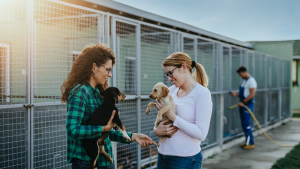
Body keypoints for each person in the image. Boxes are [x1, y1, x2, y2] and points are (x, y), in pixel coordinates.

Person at [61, 44, 156, 169]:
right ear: (94, 67)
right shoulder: (80, 93)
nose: (110, 74)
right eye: (108, 69)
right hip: (87, 163)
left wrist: (132, 136)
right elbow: (72, 130)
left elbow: (105, 132)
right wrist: (104, 128)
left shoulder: (99, 94)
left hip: (106, 161)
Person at [154, 52, 213, 169]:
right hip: (162, 156)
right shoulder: (170, 91)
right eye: (167, 75)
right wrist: (157, 130)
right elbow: (159, 119)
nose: (170, 79)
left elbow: (201, 134)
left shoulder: (202, 93)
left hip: (185, 160)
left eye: (171, 73)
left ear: (184, 67)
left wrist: (172, 116)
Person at [230, 66, 257, 150]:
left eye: (241, 74)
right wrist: (236, 94)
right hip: (243, 104)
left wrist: (243, 102)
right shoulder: (245, 81)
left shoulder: (251, 81)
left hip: (247, 105)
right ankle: (247, 141)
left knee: (246, 124)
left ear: (245, 72)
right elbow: (244, 93)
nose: (240, 76)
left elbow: (252, 94)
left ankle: (251, 143)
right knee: (244, 124)